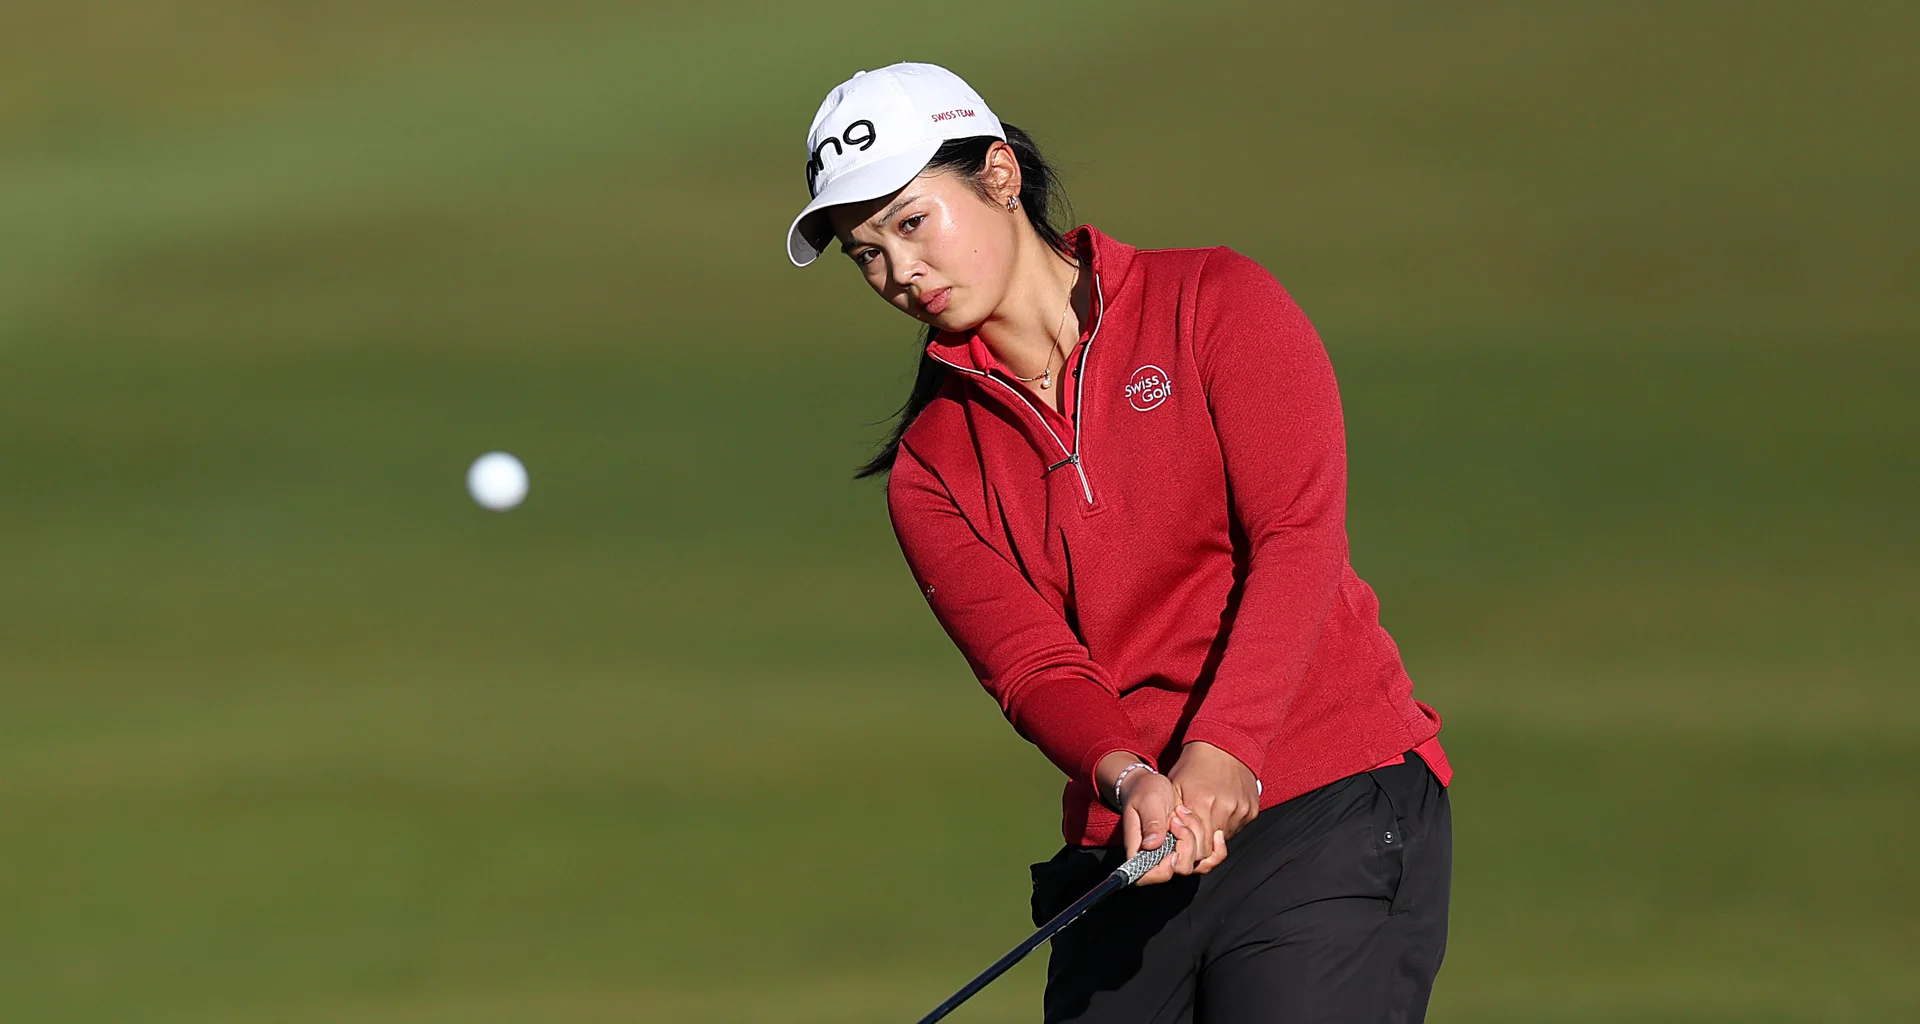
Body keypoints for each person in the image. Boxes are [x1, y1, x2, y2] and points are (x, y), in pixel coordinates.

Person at [784, 61, 1454, 1023]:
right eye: (866, 253)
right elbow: (1031, 666)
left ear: (1001, 177)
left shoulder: (1214, 302)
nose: (899, 271)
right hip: (1132, 849)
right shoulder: (930, 470)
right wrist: (1128, 772)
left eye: (910, 221)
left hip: (1328, 799)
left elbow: (1297, 538)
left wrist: (1227, 749)